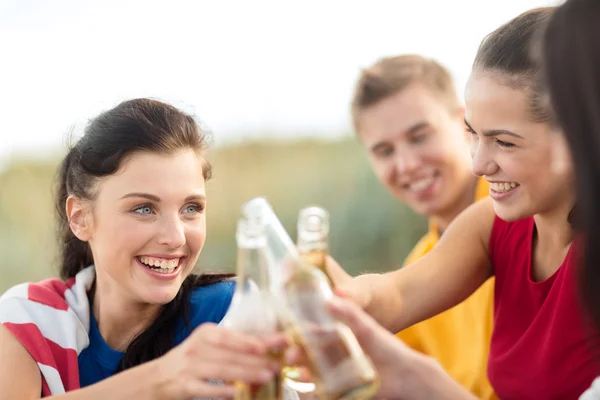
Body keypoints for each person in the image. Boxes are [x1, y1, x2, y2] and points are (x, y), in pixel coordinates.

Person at [327, 7, 600, 399]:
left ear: (573, 135)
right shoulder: (490, 224)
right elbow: (396, 295)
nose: (478, 165)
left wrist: (429, 388)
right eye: (473, 134)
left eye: (504, 142)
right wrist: (348, 296)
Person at [0, 98, 285, 399]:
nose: (175, 237)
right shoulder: (31, 322)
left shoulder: (233, 312)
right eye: (144, 209)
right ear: (80, 218)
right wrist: (159, 380)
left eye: (191, 208)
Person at [350, 54, 494, 398]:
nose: (407, 164)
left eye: (419, 137)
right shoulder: (417, 269)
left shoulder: (528, 218)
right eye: (385, 152)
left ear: (464, 123)